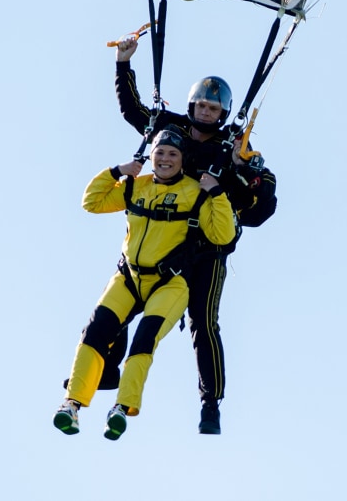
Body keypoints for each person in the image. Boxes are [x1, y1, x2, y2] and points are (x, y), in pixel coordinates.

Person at [109, 36, 278, 434]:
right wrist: (123, 63)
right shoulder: (168, 130)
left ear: (223, 113)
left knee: (203, 322)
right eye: (201, 105)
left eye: (213, 108)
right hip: (160, 240)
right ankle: (107, 367)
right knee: (122, 306)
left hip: (203, 250)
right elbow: (133, 111)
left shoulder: (234, 147)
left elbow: (263, 204)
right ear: (191, 105)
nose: (205, 112)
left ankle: (210, 403)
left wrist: (240, 168)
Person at [53, 128, 237, 440]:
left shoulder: (195, 192)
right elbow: (92, 202)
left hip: (169, 284)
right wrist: (117, 171)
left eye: (173, 154)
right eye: (160, 152)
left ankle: (122, 408)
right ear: (150, 156)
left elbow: (223, 235)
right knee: (94, 333)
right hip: (129, 278)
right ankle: (72, 403)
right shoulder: (135, 186)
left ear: (182, 160)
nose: (165, 159)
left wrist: (216, 192)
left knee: (143, 341)